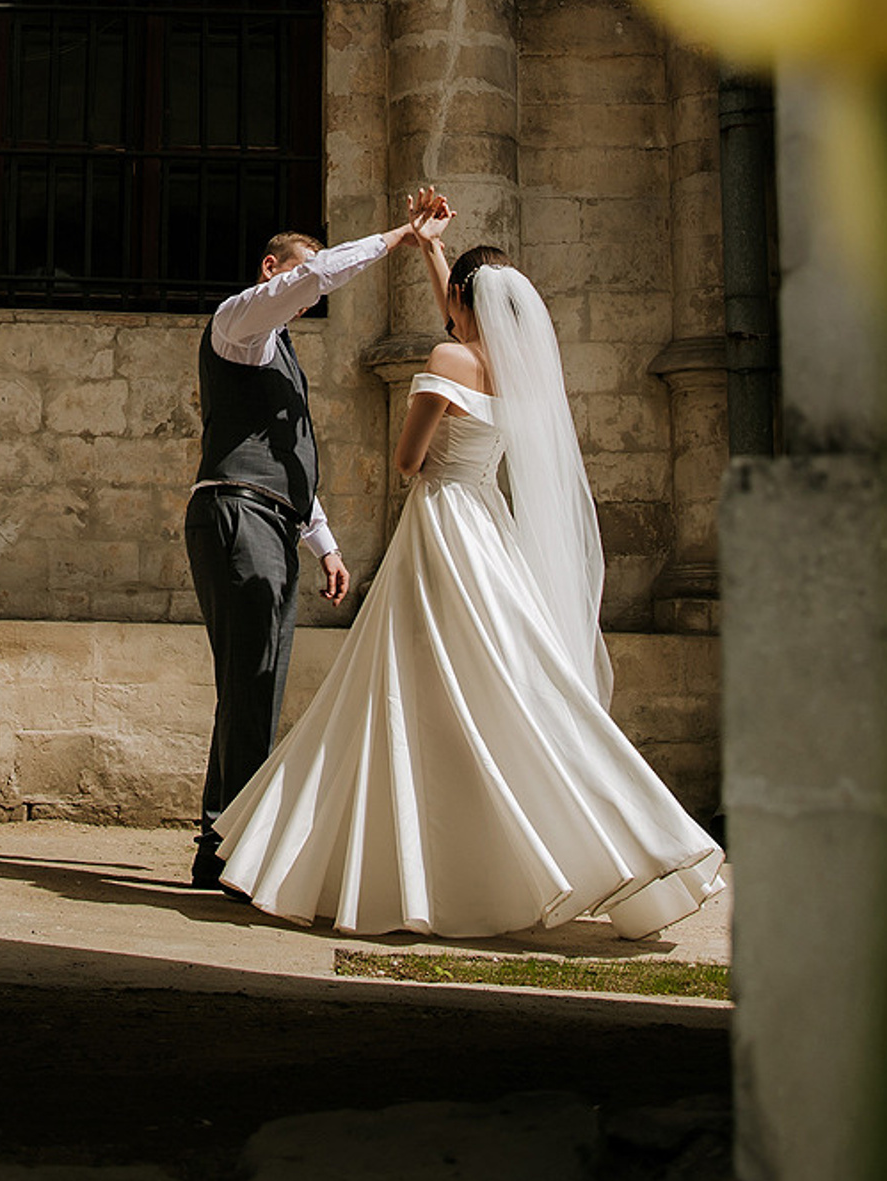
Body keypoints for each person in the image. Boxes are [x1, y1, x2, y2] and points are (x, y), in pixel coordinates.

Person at [211, 201, 723, 939]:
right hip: (487, 522)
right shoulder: (518, 373)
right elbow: (463, 328)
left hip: (441, 522)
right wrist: (432, 253)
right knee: (501, 674)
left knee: (413, 676)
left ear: (461, 303)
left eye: (450, 297)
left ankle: (405, 867)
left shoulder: (447, 362)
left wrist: (421, 267)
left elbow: (407, 461)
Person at [183, 197, 446, 891]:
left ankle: (223, 842)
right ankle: (225, 846)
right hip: (237, 511)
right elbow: (316, 276)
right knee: (251, 681)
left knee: (259, 681)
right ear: (271, 269)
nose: (309, 296)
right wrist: (399, 237)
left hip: (272, 518)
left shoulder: (282, 355)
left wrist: (323, 543)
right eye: (298, 277)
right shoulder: (238, 323)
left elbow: (289, 457)